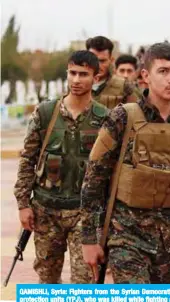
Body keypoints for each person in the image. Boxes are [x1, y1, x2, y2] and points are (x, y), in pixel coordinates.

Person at [81, 42, 170, 284]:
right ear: (145, 76)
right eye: (164, 71)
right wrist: (89, 240)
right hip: (126, 237)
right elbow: (94, 180)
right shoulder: (122, 118)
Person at [14, 50, 108, 283]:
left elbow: (111, 171)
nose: (76, 80)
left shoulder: (105, 118)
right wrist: (23, 204)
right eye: (72, 73)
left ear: (96, 78)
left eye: (83, 74)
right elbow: (28, 159)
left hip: (84, 214)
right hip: (46, 210)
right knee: (47, 279)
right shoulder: (46, 113)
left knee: (85, 281)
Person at [86, 36, 138, 108]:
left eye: (102, 61)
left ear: (111, 60)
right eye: (93, 60)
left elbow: (135, 114)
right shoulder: (76, 83)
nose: (97, 65)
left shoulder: (124, 86)